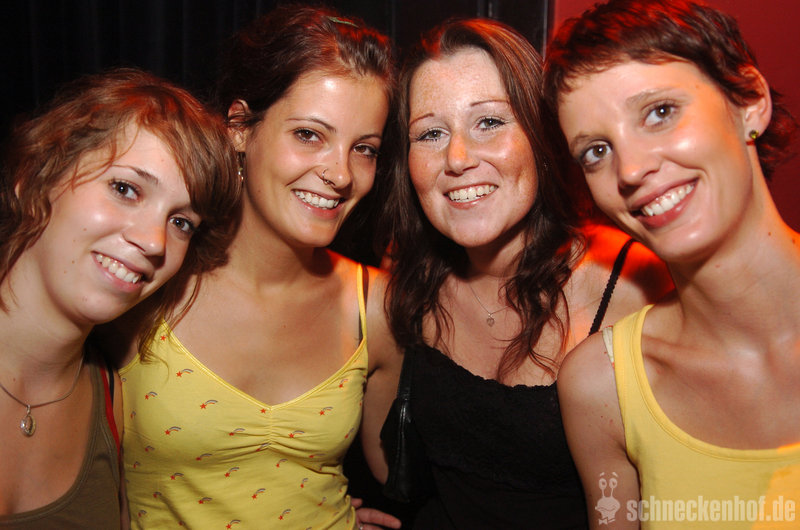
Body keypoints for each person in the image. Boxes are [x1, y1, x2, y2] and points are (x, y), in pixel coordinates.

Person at [116, 6, 402, 529]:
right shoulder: (150, 276)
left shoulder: (376, 305)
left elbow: (403, 476)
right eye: (309, 135)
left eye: (364, 149)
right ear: (240, 128)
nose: (341, 174)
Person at [380, 18, 672, 529]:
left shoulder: (636, 283)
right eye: (430, 133)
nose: (457, 158)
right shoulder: (407, 276)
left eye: (489, 122)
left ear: (540, 136)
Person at [545, 0, 800, 528]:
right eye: (596, 151)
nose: (631, 170)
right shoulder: (603, 386)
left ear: (749, 101)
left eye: (660, 112)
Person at [0, 68, 240, 528]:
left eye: (181, 222)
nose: (154, 241)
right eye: (126, 189)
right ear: (35, 175)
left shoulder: (112, 399)